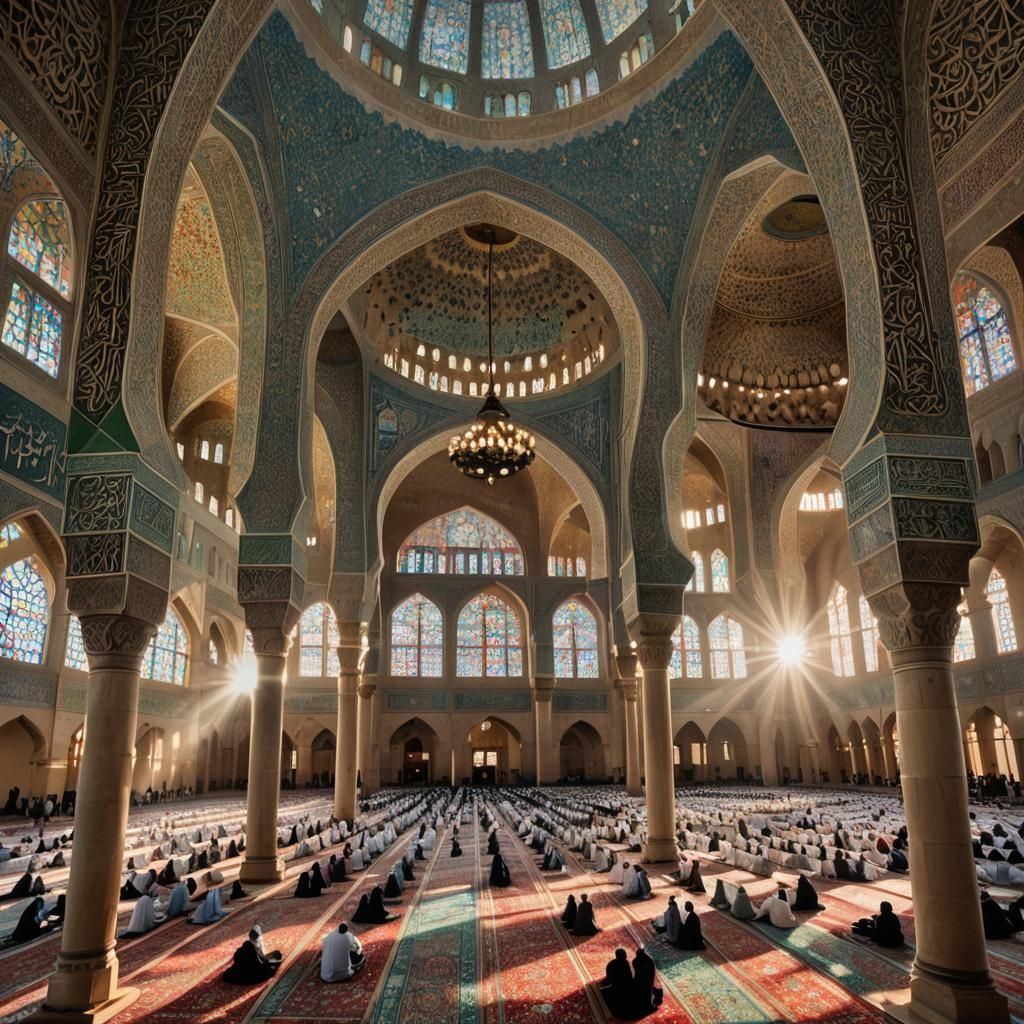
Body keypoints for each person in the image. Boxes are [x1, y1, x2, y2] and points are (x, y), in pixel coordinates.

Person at [599, 948, 634, 1018]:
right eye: (625, 955)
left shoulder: (611, 965)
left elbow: (608, 980)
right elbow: (631, 978)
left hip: (617, 989)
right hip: (626, 989)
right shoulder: (627, 964)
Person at [632, 945, 663, 1016]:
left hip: (643, 982)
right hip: (645, 982)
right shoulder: (648, 961)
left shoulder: (637, 961)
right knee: (647, 993)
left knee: (645, 993)